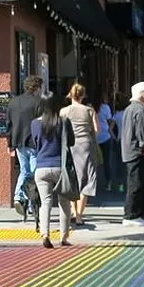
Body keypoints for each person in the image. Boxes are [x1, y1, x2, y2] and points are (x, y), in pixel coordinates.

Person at [31, 96, 75, 248]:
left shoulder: (35, 123)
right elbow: (71, 142)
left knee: (46, 202)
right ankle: (63, 237)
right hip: (60, 167)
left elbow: (35, 143)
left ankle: (45, 234)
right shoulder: (63, 121)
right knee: (64, 202)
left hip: (41, 167)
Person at [59, 83, 100, 226]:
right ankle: (79, 215)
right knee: (86, 180)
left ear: (70, 95)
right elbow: (96, 129)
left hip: (70, 147)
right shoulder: (89, 110)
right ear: (83, 95)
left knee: (72, 179)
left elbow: (60, 130)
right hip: (86, 146)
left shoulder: (63, 112)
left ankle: (72, 210)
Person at [120, 82, 144, 226]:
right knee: (137, 184)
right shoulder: (140, 110)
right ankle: (131, 215)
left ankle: (139, 213)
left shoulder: (130, 109)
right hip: (138, 152)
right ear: (143, 95)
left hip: (131, 150)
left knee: (138, 183)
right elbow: (142, 132)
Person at [6, 76, 44, 221]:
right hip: (34, 142)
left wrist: (9, 144)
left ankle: (18, 196)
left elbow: (8, 124)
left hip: (18, 142)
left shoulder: (13, 102)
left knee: (24, 170)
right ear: (37, 87)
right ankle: (31, 204)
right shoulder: (39, 102)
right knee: (34, 174)